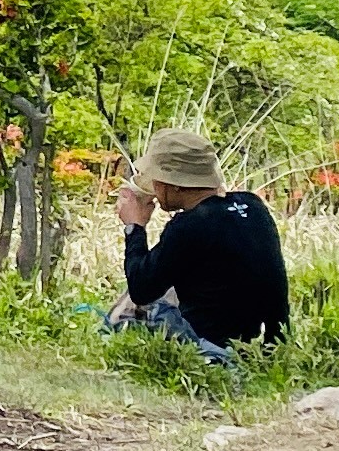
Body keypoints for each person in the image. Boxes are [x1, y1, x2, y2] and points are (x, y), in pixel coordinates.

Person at [110, 126, 288, 353]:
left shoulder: (188, 225)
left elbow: (141, 290)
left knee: (125, 313)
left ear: (172, 183)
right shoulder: (253, 206)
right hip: (261, 347)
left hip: (209, 349)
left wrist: (134, 227)